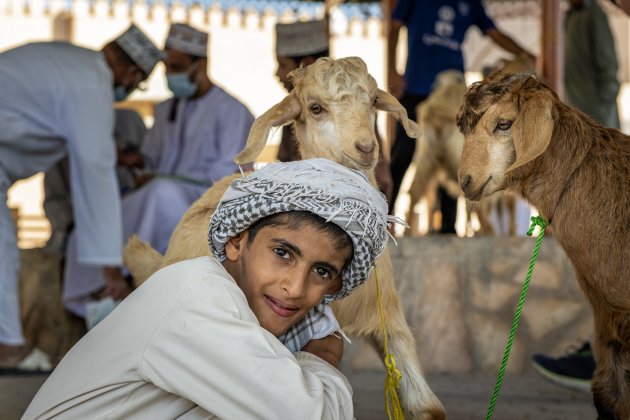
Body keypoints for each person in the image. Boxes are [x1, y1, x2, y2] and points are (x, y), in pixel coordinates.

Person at [23, 158, 395, 419]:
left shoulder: (234, 311)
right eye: (282, 252)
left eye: (321, 271)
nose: (295, 287)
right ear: (236, 242)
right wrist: (322, 357)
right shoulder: (199, 294)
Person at [61, 23, 255, 319]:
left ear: (199, 65)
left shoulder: (233, 112)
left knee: (161, 194)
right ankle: (102, 290)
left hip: (204, 204)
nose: (169, 76)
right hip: (157, 194)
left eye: (176, 67)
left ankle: (135, 278)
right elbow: (151, 160)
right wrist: (132, 160)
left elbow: (231, 176)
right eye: (167, 67)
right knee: (95, 222)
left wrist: (163, 178)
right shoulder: (165, 109)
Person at [0, 24, 161, 372]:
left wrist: (115, 154)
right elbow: (95, 176)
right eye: (137, 84)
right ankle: (9, 348)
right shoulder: (92, 86)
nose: (130, 89)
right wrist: (111, 271)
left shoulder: (76, 66)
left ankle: (10, 346)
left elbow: (60, 128)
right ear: (131, 71)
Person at [530, 0, 621, 391]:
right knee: (595, 258)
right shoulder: (569, 17)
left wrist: (595, 133)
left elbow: (610, 75)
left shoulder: (595, 15)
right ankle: (602, 352)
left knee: (609, 257)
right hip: (577, 146)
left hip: (598, 147)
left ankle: (605, 354)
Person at [387, 0, 535, 232]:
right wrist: (392, 71)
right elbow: (394, 26)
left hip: (454, 94)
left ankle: (448, 227)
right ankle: (380, 221)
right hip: (417, 88)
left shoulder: (470, 3)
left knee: (457, 158)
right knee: (402, 154)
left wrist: (525, 54)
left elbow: (493, 31)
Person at [274, 20, 394, 202]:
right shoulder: (298, 111)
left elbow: (380, 180)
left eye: (283, 65)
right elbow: (282, 168)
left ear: (304, 65)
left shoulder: (353, 111)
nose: (278, 74)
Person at [43, 108, 148, 258]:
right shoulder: (63, 136)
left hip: (133, 234)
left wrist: (136, 165)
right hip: (85, 238)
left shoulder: (128, 120)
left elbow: (151, 165)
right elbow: (55, 203)